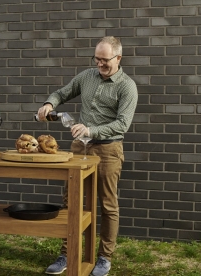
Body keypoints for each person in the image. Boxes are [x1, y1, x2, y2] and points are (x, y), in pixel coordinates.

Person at [37, 36, 138, 276]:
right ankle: (66, 253)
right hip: (80, 148)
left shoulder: (127, 87)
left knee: (107, 204)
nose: (100, 64)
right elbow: (62, 92)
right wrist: (49, 104)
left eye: (105, 60)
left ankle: (104, 258)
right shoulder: (86, 76)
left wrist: (90, 130)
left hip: (109, 150)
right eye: (97, 59)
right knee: (70, 201)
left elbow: (122, 124)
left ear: (118, 58)